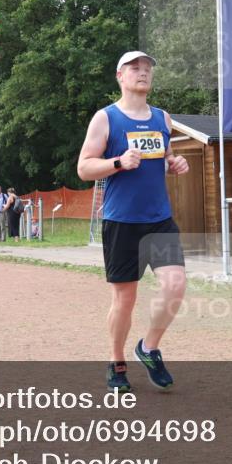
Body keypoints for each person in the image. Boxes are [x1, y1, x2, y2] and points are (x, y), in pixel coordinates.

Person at [77, 51, 189, 393]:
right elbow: (83, 168)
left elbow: (165, 155)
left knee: (175, 286)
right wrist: (117, 162)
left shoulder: (163, 119)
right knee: (125, 300)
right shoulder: (105, 118)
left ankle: (149, 347)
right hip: (122, 221)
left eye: (147, 69)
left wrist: (175, 162)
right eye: (134, 68)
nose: (142, 73)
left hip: (159, 219)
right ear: (120, 76)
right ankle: (116, 361)